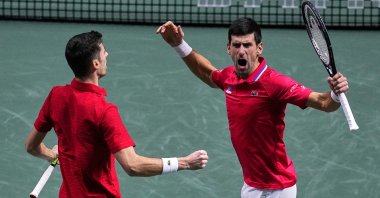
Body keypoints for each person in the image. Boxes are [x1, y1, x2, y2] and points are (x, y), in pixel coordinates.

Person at [156, 18, 349, 198]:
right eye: (237, 45)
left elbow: (324, 103)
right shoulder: (229, 77)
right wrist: (178, 44)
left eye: (247, 45)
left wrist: (335, 93)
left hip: (276, 188)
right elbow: (207, 73)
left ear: (259, 48)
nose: (241, 51)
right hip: (252, 185)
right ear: (228, 48)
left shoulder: (275, 83)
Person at [25, 31, 208, 198]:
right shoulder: (104, 111)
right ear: (95, 64)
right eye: (103, 52)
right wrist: (184, 163)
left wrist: (52, 155)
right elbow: (133, 165)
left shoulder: (56, 96)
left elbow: (32, 147)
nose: (107, 55)